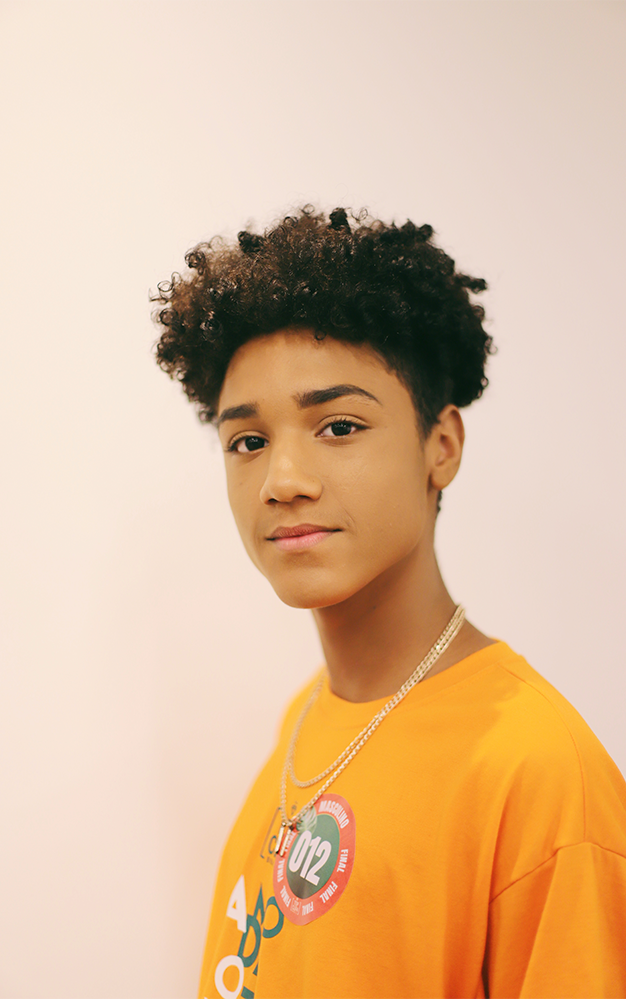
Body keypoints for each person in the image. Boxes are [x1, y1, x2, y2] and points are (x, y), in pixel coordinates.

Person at [152, 206, 626, 999]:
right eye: (249, 441)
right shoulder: (310, 715)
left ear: (441, 445)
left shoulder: (538, 774)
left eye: (338, 426)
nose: (282, 481)